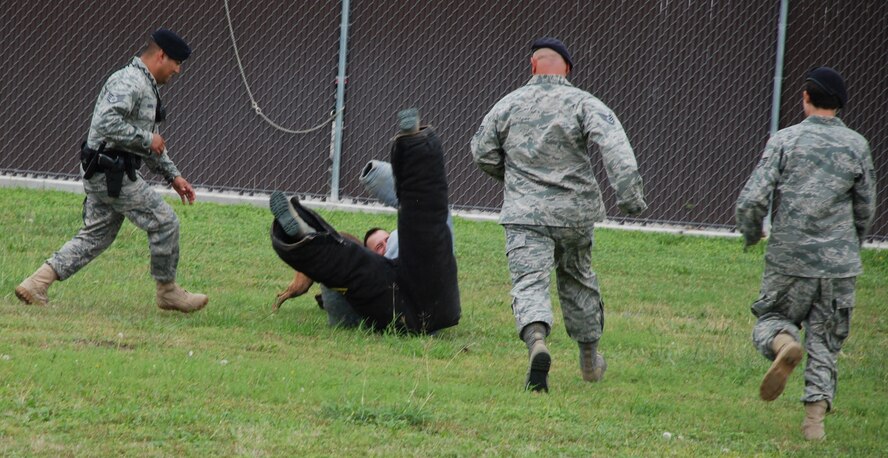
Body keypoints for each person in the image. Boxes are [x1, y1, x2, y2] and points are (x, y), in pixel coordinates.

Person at [471, 37, 647, 392]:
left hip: (524, 216)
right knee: (578, 279)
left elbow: (481, 152)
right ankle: (589, 359)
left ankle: (537, 341)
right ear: (567, 68)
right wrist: (630, 199)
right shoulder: (584, 102)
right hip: (574, 214)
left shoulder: (507, 105)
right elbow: (617, 149)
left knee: (530, 282)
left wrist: (517, 182)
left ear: (532, 65)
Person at [14, 29, 208, 313]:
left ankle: (35, 283)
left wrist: (173, 176)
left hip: (108, 172)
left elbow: (150, 144)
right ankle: (167, 292)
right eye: (176, 62)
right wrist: (146, 139)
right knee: (165, 222)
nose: (178, 70)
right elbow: (107, 123)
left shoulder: (144, 84)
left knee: (95, 236)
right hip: (111, 174)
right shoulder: (131, 81)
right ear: (161, 55)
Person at [736, 67, 876, 441]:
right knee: (826, 340)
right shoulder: (857, 145)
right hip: (839, 264)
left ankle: (783, 344)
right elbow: (865, 207)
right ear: (841, 104)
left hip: (790, 258)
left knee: (772, 317)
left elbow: (752, 200)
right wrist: (850, 244)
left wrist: (752, 234)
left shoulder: (785, 140)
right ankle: (814, 424)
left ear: (805, 97)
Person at [269, 109, 460, 333]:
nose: (385, 246)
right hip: (401, 303)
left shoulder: (404, 244)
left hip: (427, 288)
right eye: (378, 247)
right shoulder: (376, 270)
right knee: (349, 265)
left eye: (385, 240)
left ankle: (414, 143)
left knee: (425, 225)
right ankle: (305, 235)